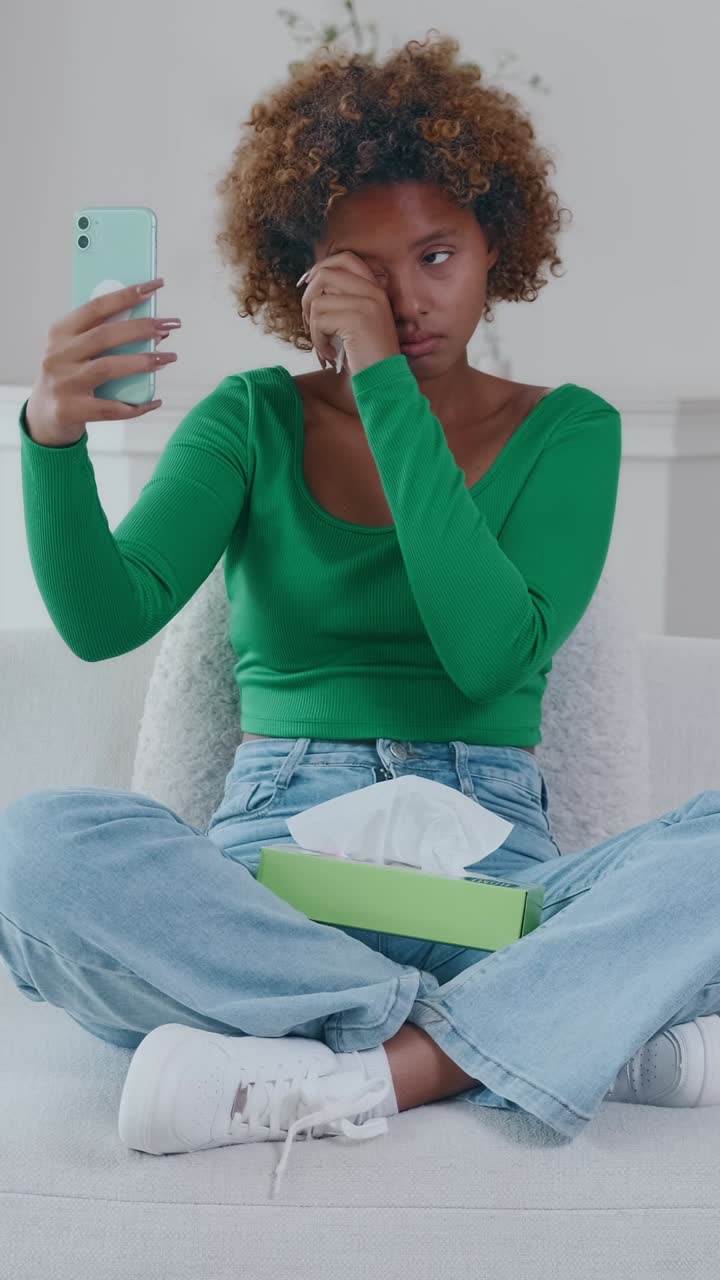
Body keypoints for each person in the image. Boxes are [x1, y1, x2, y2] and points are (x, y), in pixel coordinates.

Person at [3, 31, 720, 1200]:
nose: (406, 297)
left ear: (499, 248)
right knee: (33, 849)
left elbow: (487, 647)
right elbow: (102, 617)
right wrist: (49, 438)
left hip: (498, 886)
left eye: (437, 254)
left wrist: (383, 380)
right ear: (300, 273)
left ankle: (370, 1070)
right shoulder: (251, 420)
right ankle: (517, 1037)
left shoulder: (569, 430)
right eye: (362, 269)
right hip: (267, 888)